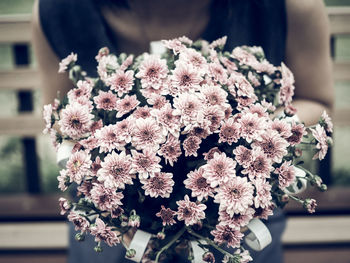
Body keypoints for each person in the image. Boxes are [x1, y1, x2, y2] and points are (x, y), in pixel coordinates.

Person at [31, 0, 334, 262]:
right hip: (112, 214)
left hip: (240, 213)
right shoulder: (59, 9)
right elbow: (61, 122)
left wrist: (259, 131)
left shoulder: (291, 5)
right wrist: (109, 193)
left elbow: (317, 102)